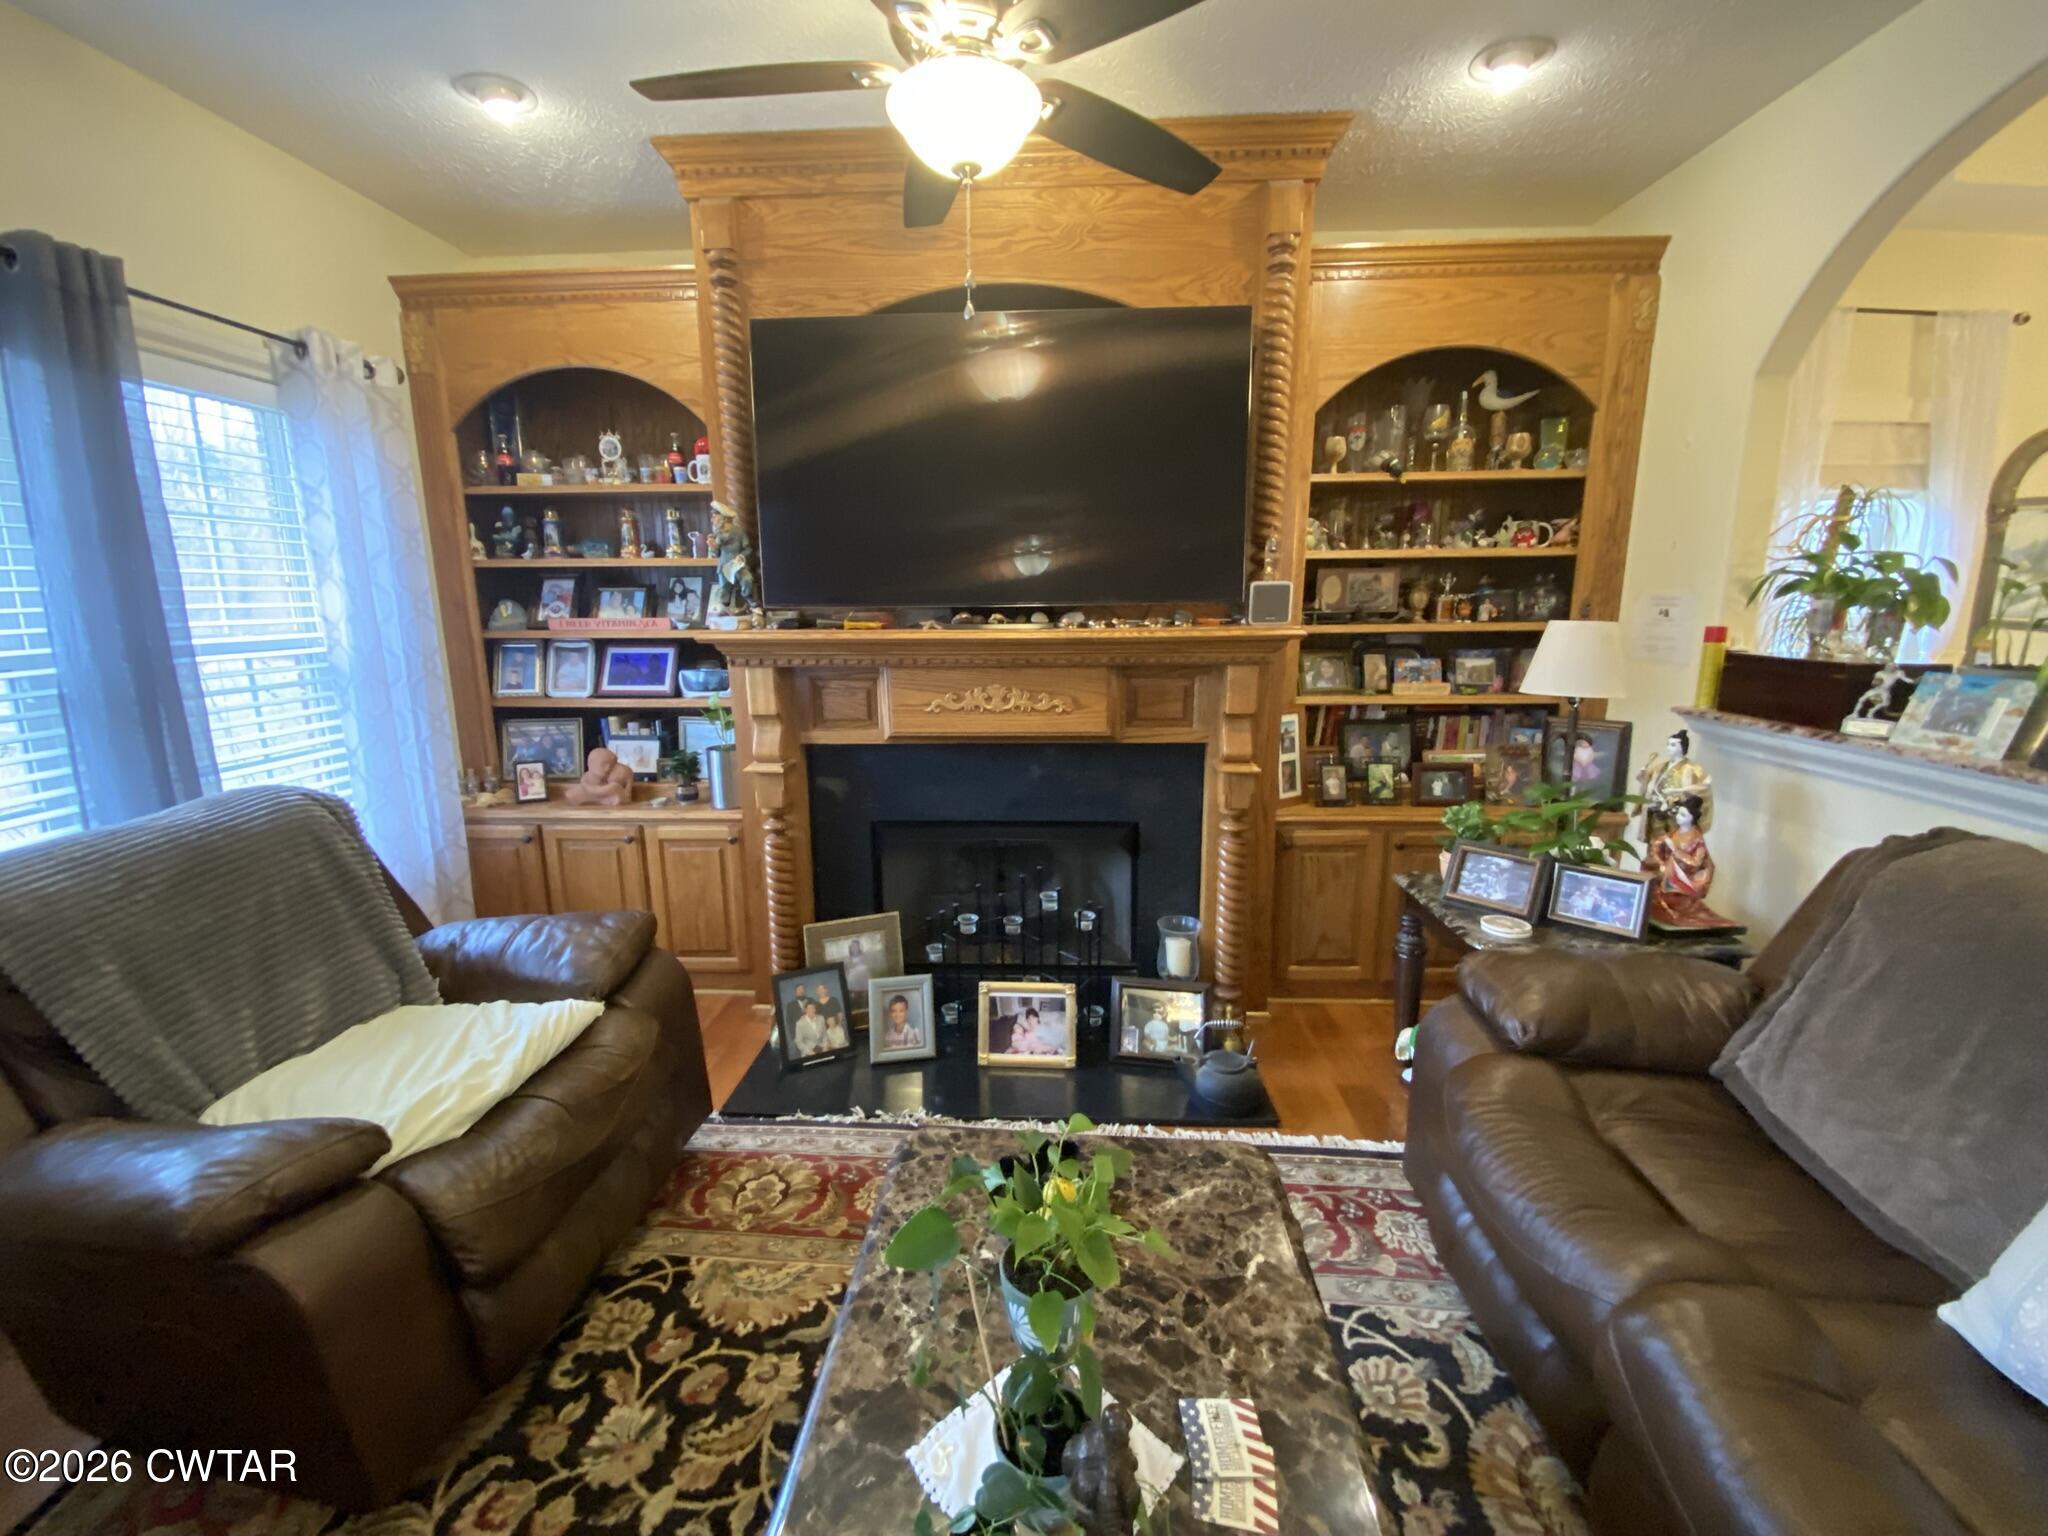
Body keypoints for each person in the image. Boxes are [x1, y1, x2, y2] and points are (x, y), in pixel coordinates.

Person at [1636, 728, 1713, 840]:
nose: (1669, 748)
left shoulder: (1693, 768)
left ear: (1682, 747)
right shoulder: (1661, 766)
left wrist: (1680, 791)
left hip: (1675, 814)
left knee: (1674, 845)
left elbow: (1704, 786)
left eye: (1673, 745)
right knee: (1655, 845)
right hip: (1656, 810)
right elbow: (1645, 780)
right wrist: (1643, 774)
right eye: (1668, 744)